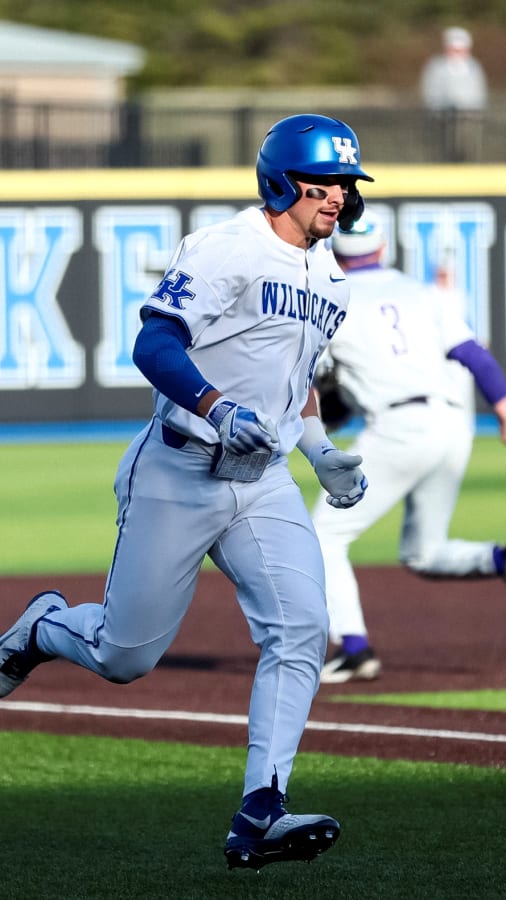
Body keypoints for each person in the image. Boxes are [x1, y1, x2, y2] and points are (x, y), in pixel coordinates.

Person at [0, 114, 373, 870]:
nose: (336, 196)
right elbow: (154, 342)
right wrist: (215, 406)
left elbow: (293, 386)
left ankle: (261, 810)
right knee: (124, 656)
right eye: (322, 181)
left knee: (301, 629)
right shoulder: (227, 247)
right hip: (179, 468)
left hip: (262, 481)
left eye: (344, 183)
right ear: (281, 181)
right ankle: (42, 629)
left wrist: (323, 451)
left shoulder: (328, 272)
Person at [311, 210, 506, 684]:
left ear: (335, 249)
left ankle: (355, 648)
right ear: (381, 247)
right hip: (453, 425)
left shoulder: (329, 301)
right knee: (423, 553)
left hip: (399, 428)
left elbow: (316, 389)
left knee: (323, 538)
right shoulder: (423, 293)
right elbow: (474, 356)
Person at [419, 26, 488, 163]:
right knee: (445, 151)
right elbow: (430, 91)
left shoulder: (474, 67)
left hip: (469, 119)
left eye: (461, 49)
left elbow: (480, 92)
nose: (457, 53)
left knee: (468, 150)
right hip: (443, 119)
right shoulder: (436, 67)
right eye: (454, 49)